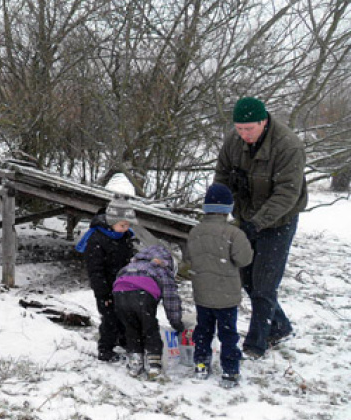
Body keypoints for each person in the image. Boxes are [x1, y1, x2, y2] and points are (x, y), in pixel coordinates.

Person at [214, 97, 307, 359]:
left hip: (279, 221)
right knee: (246, 279)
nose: (244, 135)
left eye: (249, 129)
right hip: (246, 216)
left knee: (265, 284)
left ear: (263, 121)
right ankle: (279, 325)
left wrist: (258, 223)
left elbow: (287, 194)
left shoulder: (288, 146)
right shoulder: (233, 142)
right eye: (239, 129)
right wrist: (218, 211)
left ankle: (257, 343)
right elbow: (221, 177)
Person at [187, 184, 253, 388]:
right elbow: (244, 259)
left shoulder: (195, 232)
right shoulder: (234, 234)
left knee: (203, 330)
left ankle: (200, 364)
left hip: (202, 293)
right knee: (228, 334)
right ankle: (230, 371)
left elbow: (189, 258)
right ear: (228, 209)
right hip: (226, 296)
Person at [75, 196, 137, 362]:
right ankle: (105, 350)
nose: (125, 228)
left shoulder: (125, 237)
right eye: (122, 225)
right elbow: (95, 270)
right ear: (111, 222)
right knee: (109, 318)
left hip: (124, 285)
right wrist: (104, 294)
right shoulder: (96, 239)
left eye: (128, 225)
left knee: (125, 315)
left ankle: (124, 342)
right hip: (106, 286)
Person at [113, 245, 184, 379]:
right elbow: (171, 300)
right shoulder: (162, 270)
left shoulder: (129, 266)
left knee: (131, 328)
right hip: (142, 295)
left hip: (119, 294)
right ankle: (154, 363)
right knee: (149, 327)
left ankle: (135, 361)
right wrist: (176, 323)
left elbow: (118, 280)